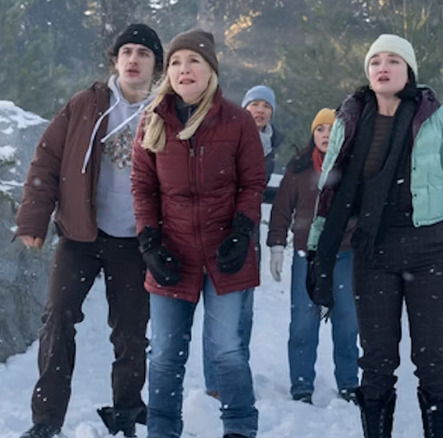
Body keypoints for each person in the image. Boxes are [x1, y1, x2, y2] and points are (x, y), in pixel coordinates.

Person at [306, 34, 443, 437]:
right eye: (375, 62)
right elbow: (330, 190)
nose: (383, 68)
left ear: (409, 72)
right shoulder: (351, 117)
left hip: (430, 249)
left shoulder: (433, 116)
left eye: (393, 61)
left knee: (433, 360)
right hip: (373, 250)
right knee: (376, 361)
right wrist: (318, 247)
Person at [14, 23, 163, 438]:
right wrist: (33, 219)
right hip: (81, 235)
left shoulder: (165, 113)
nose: (133, 59)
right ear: (115, 60)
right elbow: (46, 159)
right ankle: (46, 420)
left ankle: (127, 411)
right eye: (126, 51)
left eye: (143, 53)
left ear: (156, 64)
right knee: (57, 320)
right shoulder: (85, 105)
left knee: (132, 331)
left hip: (135, 241)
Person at [131, 29, 265, 438]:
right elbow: (142, 187)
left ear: (211, 71)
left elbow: (253, 182)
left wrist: (242, 232)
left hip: (228, 254)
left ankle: (240, 427)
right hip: (172, 254)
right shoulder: (152, 121)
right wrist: (150, 242)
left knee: (228, 351)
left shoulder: (237, 120)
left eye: (193, 61)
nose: (183, 69)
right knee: (166, 354)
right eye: (175, 62)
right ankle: (162, 429)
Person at [266, 108, 359, 405]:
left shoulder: (352, 169)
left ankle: (348, 383)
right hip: (307, 255)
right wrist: (277, 245)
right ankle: (302, 386)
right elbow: (281, 209)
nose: (325, 136)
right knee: (304, 323)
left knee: (347, 323)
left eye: (332, 130)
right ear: (313, 134)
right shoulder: (299, 168)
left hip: (344, 255)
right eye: (320, 129)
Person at [242, 84, 285, 182]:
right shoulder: (228, 137)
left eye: (266, 106)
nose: (260, 110)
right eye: (255, 104)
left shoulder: (272, 144)